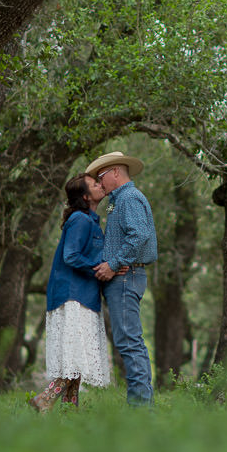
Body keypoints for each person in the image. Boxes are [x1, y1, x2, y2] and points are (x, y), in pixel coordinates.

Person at [29, 174, 113, 412]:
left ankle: (68, 413)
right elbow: (71, 256)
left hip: (84, 295)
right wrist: (99, 270)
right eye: (95, 184)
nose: (100, 184)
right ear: (86, 196)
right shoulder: (80, 220)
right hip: (73, 295)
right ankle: (44, 399)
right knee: (76, 359)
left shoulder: (91, 221)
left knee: (76, 357)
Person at [86, 151, 158, 406]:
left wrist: (115, 264)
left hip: (127, 278)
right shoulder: (119, 200)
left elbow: (139, 235)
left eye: (101, 177)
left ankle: (140, 409)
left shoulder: (128, 198)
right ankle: (139, 404)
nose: (100, 183)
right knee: (127, 341)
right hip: (125, 277)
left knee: (129, 342)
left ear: (115, 172)